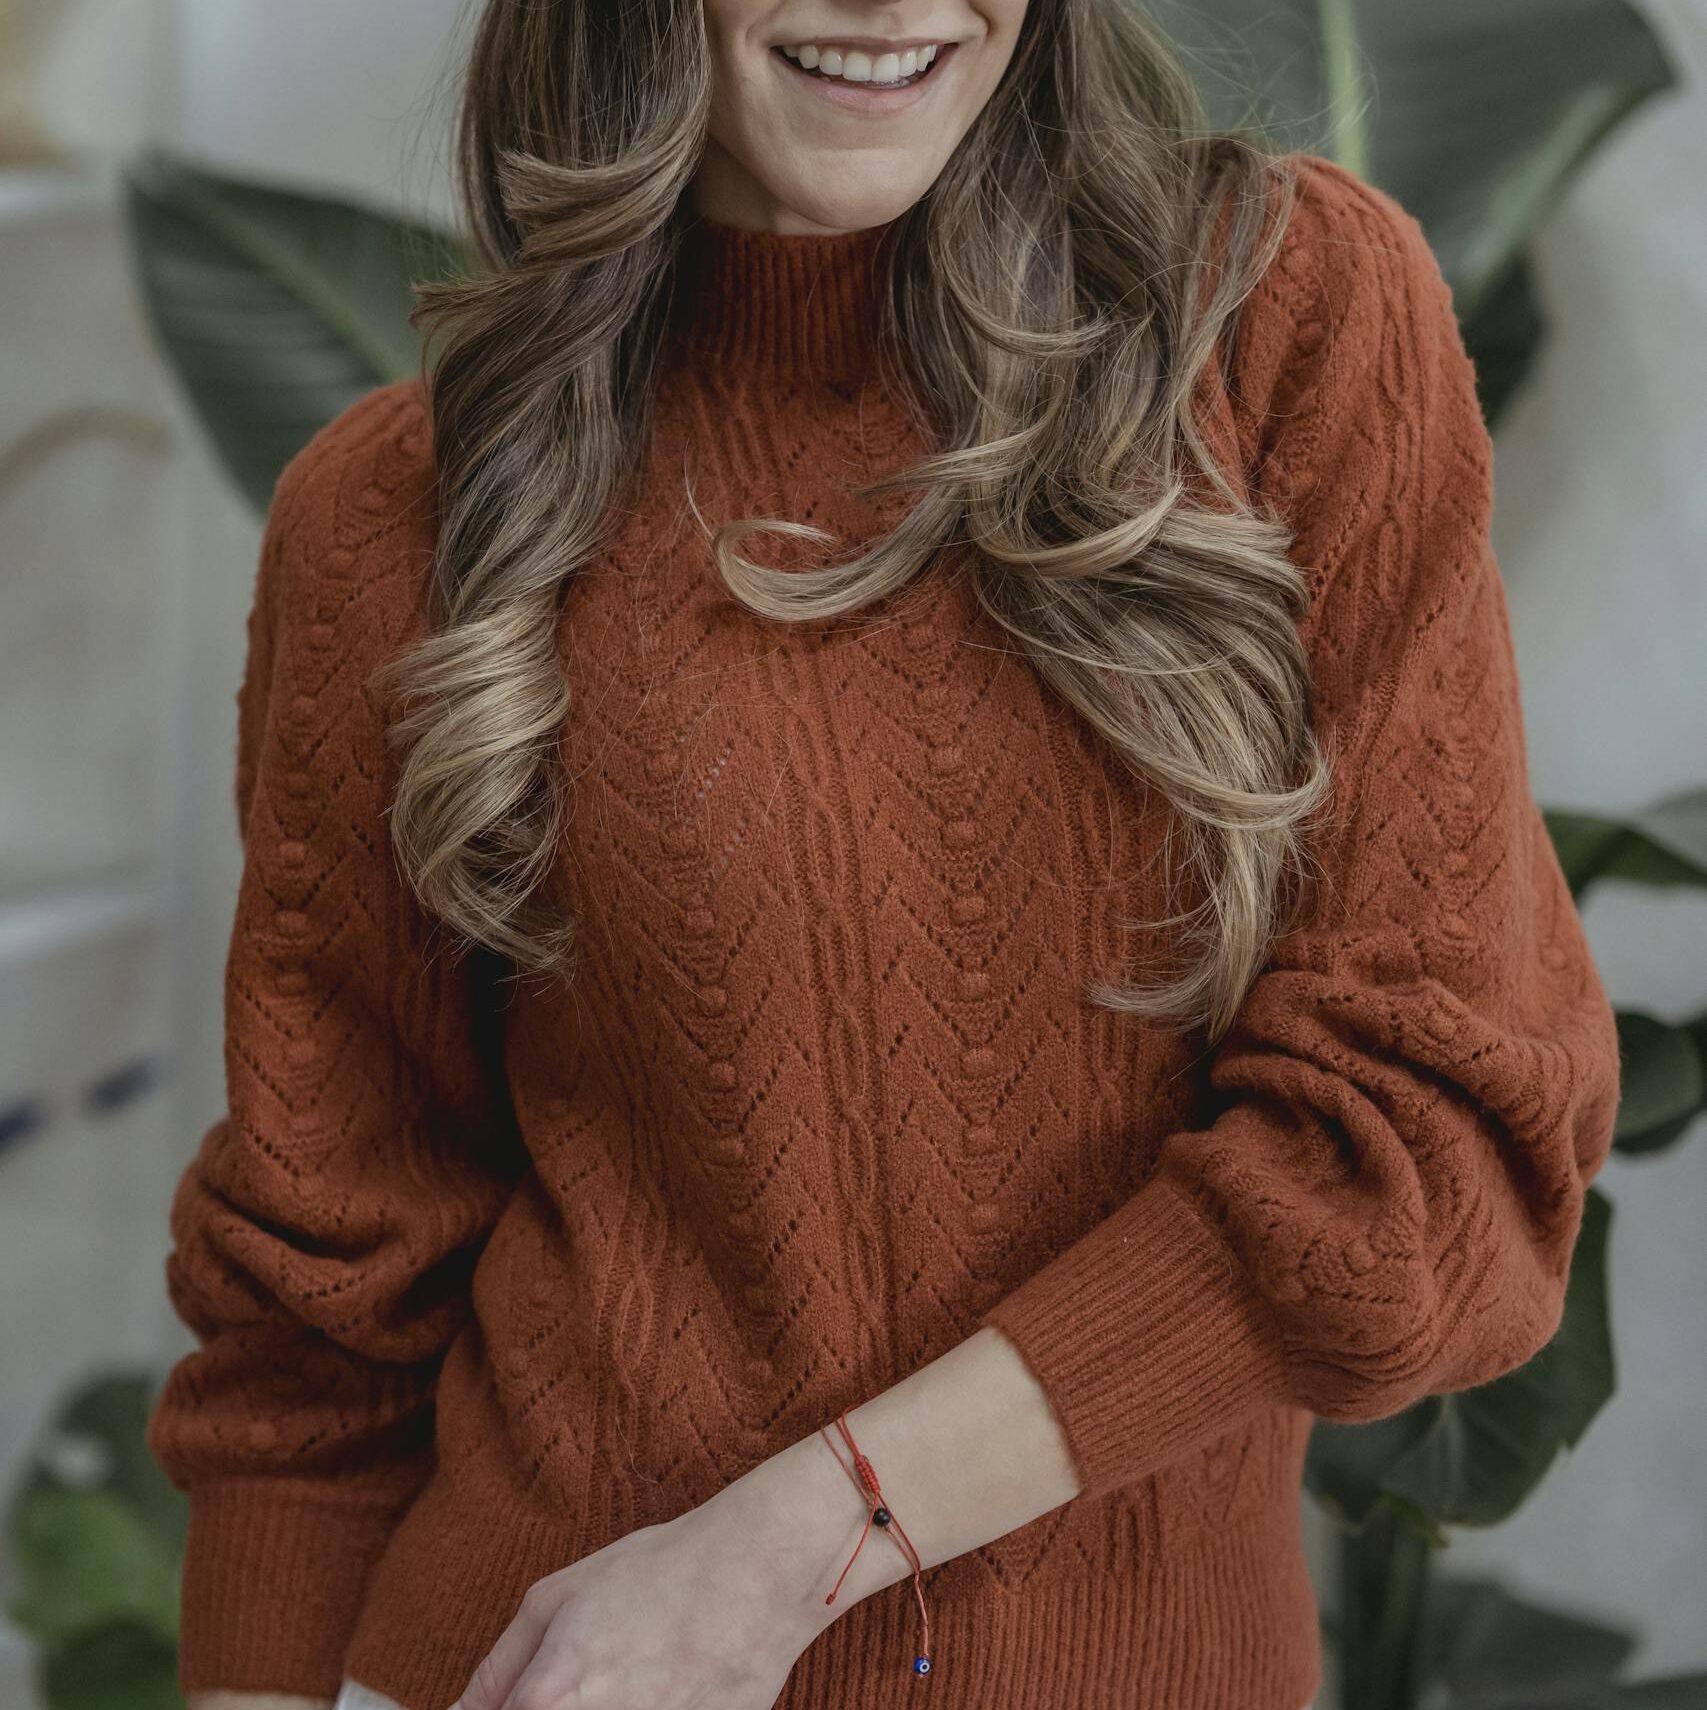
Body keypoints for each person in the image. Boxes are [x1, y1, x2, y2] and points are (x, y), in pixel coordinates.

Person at [146, 0, 1623, 1705]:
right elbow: (317, 1329)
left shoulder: (1279, 318)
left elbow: (1428, 1143)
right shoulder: (401, 512)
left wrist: (786, 1547)